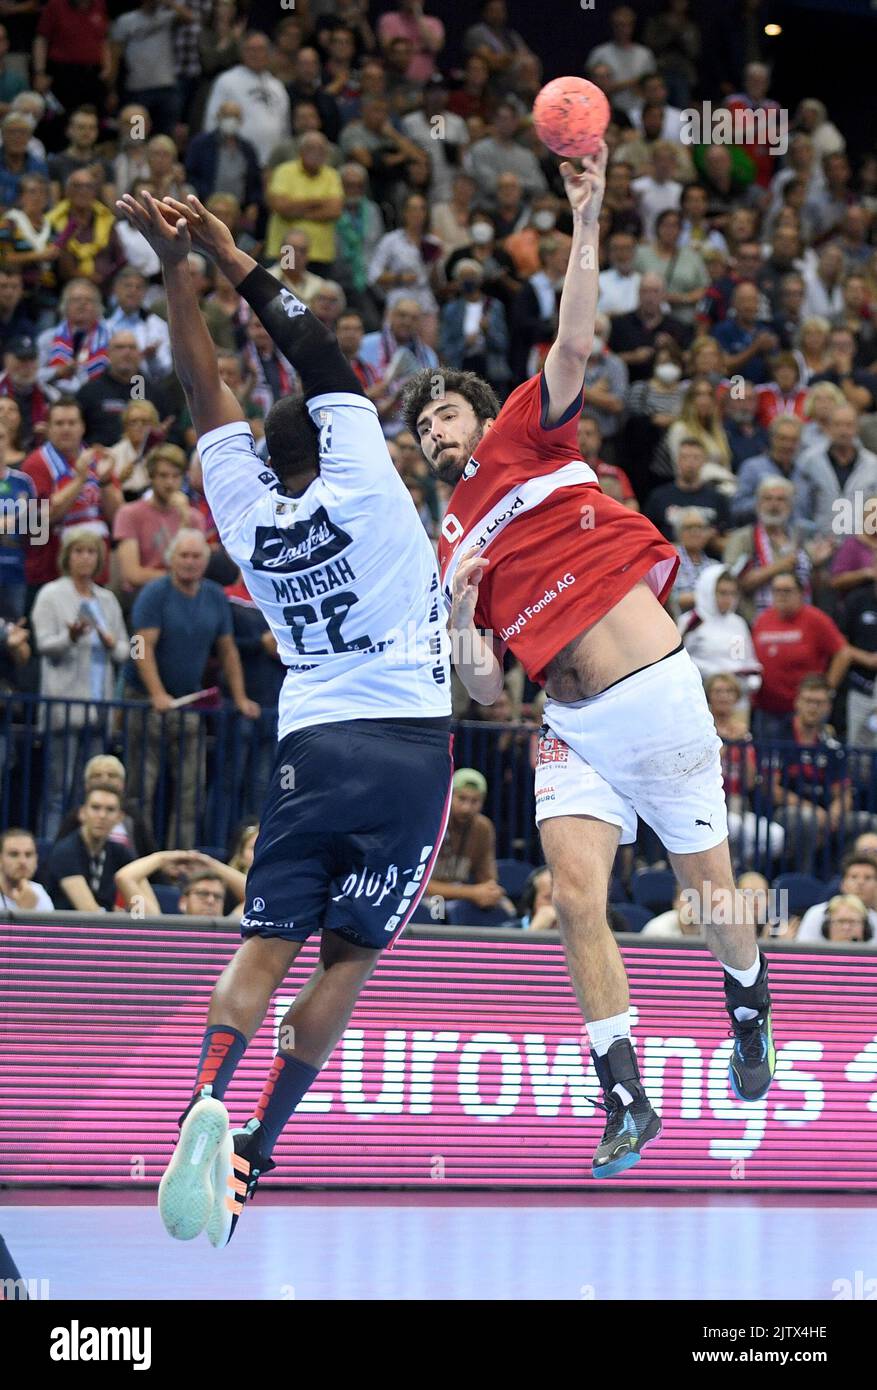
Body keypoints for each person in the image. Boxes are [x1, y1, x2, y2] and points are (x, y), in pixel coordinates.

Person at [404, 141, 776, 1181]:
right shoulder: (449, 544)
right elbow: (483, 687)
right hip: (567, 727)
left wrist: (587, 214)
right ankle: (624, 1096)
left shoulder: (528, 432)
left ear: (480, 412)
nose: (431, 430)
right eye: (419, 424)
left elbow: (573, 336)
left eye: (440, 412)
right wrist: (468, 620)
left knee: (712, 896)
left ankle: (745, 994)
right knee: (574, 898)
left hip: (654, 699)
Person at [114, 183, 452, 1249]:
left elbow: (204, 388)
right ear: (344, 440)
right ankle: (257, 1142)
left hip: (310, 747)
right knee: (343, 960)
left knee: (264, 940)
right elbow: (315, 352)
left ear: (270, 460)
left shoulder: (247, 520)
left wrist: (178, 273)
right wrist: (234, 254)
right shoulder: (371, 484)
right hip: (403, 751)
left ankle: (201, 1094)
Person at [30, 527, 129, 838]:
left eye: (91, 552)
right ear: (67, 557)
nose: (85, 558)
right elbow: (43, 645)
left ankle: (86, 849)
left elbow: (129, 649)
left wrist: (111, 642)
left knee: (90, 796)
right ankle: (50, 852)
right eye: (78, 552)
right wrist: (69, 637)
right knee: (58, 792)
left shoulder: (107, 599)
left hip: (99, 710)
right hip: (64, 707)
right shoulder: (51, 594)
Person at [751, 579, 849, 741]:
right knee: (768, 762)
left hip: (804, 711)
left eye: (787, 591)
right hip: (767, 708)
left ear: (801, 594)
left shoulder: (815, 619)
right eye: (776, 591)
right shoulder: (763, 619)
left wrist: (827, 689)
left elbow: (843, 653)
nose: (781, 596)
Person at [425, 768, 514, 919]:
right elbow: (421, 886)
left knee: (506, 909)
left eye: (474, 801)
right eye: (462, 798)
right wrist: (472, 893)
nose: (467, 808)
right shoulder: (431, 822)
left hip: (461, 899)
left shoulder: (483, 828)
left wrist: (491, 892)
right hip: (426, 899)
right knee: (437, 911)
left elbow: (487, 879)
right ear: (449, 796)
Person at [43, 782, 134, 912]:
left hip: (103, 926)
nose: (102, 816)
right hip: (66, 929)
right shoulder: (65, 852)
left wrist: (138, 916)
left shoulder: (119, 851)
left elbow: (140, 897)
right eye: (96, 808)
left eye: (110, 810)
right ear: (82, 813)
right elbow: (89, 913)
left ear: (120, 818)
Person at [53, 752, 156, 858]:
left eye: (112, 775)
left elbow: (149, 855)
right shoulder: (74, 817)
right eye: (97, 776)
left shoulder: (133, 816)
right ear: (86, 784)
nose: (105, 780)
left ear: (122, 784)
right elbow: (56, 856)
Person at [0, 827, 54, 913]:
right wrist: (25, 912)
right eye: (14, 854)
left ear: (36, 860)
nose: (23, 861)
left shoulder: (38, 892)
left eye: (28, 855)